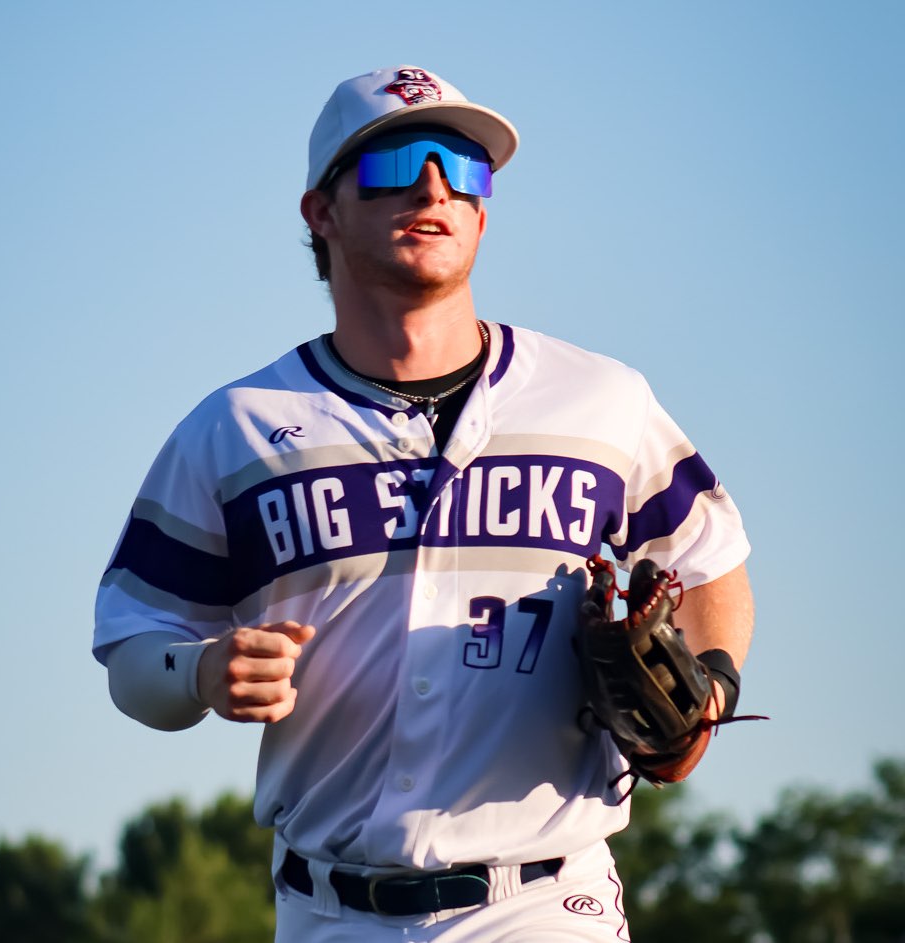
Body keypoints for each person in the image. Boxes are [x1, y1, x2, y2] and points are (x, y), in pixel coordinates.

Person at [94, 65, 754, 942]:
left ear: (484, 209)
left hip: (545, 901)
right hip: (328, 909)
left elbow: (710, 559)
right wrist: (204, 671)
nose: (434, 185)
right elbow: (135, 645)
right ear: (319, 213)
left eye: (462, 165)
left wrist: (710, 684)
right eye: (395, 160)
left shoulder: (600, 401)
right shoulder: (239, 429)